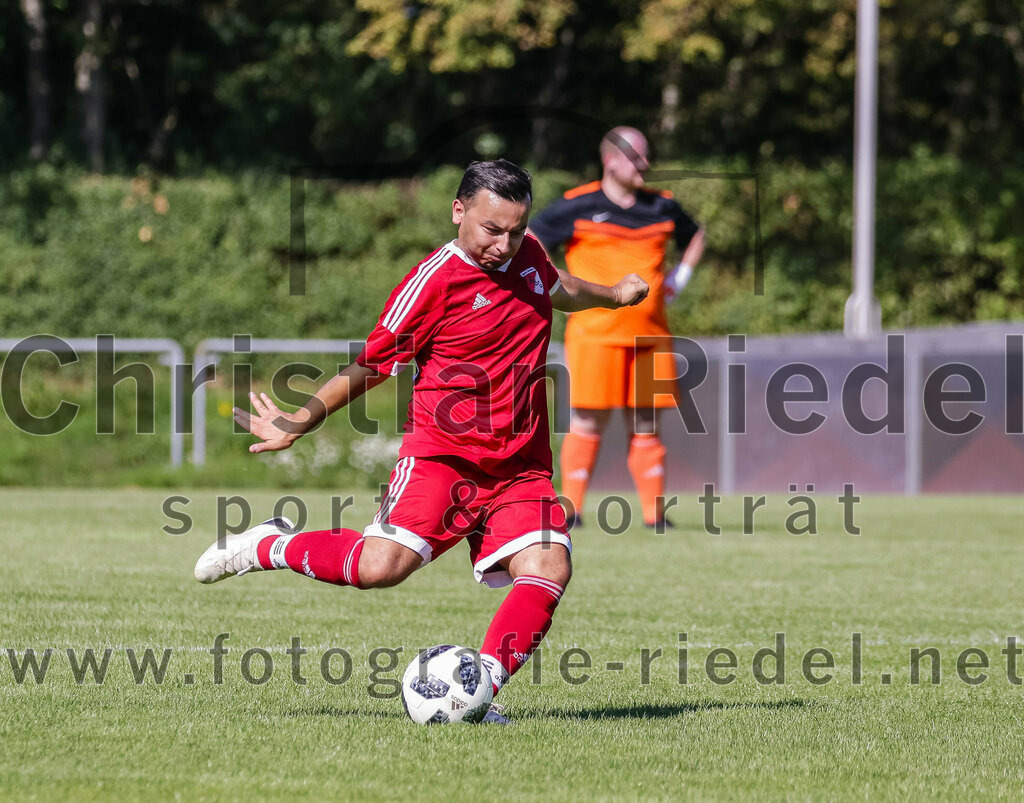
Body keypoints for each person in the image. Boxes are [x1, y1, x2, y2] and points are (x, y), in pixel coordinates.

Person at [193, 159, 648, 723]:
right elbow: (371, 366)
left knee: (549, 566)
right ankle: (271, 545)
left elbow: (560, 288)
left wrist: (615, 295)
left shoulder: (528, 253)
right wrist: (299, 422)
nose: (504, 245)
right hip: (443, 459)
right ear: (459, 211)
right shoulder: (433, 282)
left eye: (515, 230)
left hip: (520, 467)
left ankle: (476, 691)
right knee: (379, 568)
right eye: (492, 230)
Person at [528, 127, 705, 529]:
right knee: (588, 421)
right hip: (594, 335)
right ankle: (571, 510)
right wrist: (551, 283)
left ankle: (655, 516)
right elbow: (531, 236)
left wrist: (682, 275)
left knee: (647, 425)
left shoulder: (662, 206)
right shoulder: (578, 204)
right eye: (637, 157)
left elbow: (696, 235)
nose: (646, 164)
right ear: (611, 160)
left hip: (651, 335)